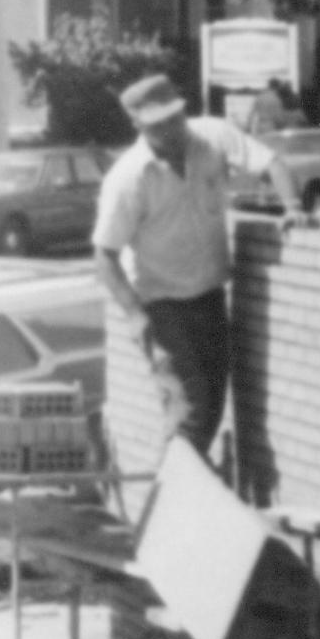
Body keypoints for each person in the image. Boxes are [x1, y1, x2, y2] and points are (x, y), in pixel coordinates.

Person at [92, 71, 304, 462]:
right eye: (159, 125)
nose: (172, 130)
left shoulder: (211, 137)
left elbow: (272, 163)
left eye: (176, 118)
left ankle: (190, 495)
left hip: (208, 298)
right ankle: (174, 505)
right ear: (138, 125)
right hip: (162, 306)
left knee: (212, 407)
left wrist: (292, 208)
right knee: (189, 411)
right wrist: (135, 315)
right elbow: (104, 256)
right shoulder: (128, 178)